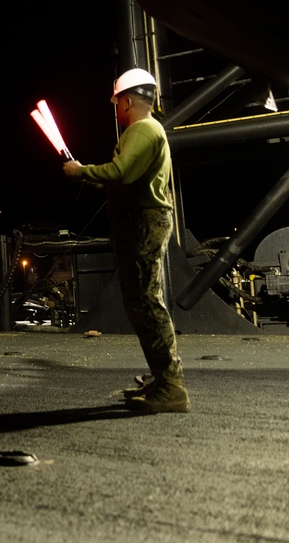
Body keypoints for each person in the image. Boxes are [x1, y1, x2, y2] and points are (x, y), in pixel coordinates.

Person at [62, 68, 190, 413]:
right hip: (140, 221)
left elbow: (121, 173)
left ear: (127, 100)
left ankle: (171, 386)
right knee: (142, 302)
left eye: (117, 102)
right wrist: (86, 175)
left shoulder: (143, 130)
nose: (116, 108)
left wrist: (81, 171)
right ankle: (163, 380)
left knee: (146, 302)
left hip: (142, 222)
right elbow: (122, 178)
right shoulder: (147, 130)